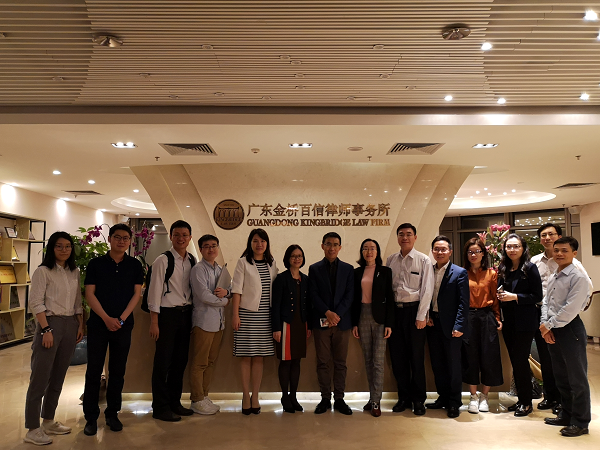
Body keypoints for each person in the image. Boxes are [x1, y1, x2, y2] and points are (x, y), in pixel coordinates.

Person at [83, 224, 143, 435]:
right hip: (99, 324)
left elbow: (136, 294)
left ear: (130, 241)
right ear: (109, 239)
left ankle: (112, 413)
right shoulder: (96, 264)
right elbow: (89, 294)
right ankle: (90, 417)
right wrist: (107, 318)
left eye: (126, 238)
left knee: (118, 371)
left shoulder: (135, 265)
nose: (122, 241)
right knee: (94, 371)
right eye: (117, 237)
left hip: (123, 326)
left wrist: (121, 319)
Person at [24, 232, 83, 445]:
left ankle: (48, 420)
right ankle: (32, 428)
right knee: (40, 377)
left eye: (67, 246)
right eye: (59, 246)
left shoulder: (74, 272)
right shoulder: (43, 271)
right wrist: (46, 329)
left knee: (58, 376)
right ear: (52, 248)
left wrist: (79, 325)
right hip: (50, 323)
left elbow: (77, 301)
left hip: (70, 324)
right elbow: (36, 302)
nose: (64, 250)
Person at [531, 223, 593, 414]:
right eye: (556, 251)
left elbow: (572, 307)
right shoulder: (553, 274)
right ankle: (564, 412)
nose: (559, 254)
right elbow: (546, 301)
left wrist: (548, 325)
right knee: (558, 372)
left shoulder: (577, 274)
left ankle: (579, 420)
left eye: (564, 250)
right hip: (550, 324)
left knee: (576, 376)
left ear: (573, 253)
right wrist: (545, 324)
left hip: (569, 326)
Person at [148, 220, 196, 422]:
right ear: (171, 236)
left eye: (184, 235)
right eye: (177, 235)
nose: (181, 238)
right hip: (167, 316)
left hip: (186, 314)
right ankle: (160, 407)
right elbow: (154, 292)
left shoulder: (192, 260)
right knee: (163, 362)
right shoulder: (163, 260)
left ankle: (175, 402)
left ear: (190, 237)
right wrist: (154, 321)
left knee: (180, 362)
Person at [386, 223, 433, 415]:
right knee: (398, 359)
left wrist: (422, 316)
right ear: (397, 238)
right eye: (401, 234)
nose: (404, 237)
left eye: (408, 234)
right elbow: (387, 290)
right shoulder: (390, 260)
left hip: (414, 313)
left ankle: (418, 400)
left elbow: (427, 290)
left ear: (415, 237)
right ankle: (403, 398)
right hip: (395, 313)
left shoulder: (423, 260)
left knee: (416, 358)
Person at [231, 228, 278, 415]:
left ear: (267, 244)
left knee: (259, 357)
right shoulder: (243, 262)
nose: (259, 244)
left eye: (263, 241)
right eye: (256, 241)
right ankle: (245, 396)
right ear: (250, 243)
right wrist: (235, 315)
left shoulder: (271, 263)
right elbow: (236, 290)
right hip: (247, 315)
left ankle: (255, 396)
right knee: (246, 356)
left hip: (266, 316)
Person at [309, 232, 354, 415]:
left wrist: (337, 315)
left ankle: (340, 399)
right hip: (321, 322)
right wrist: (327, 312)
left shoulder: (348, 269)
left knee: (340, 363)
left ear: (340, 247)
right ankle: (325, 398)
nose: (332, 248)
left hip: (342, 324)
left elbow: (350, 295)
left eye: (335, 244)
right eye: (328, 244)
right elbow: (313, 294)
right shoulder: (314, 269)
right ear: (322, 246)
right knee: (322, 362)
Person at [497, 233, 543, 417]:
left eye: (516, 246)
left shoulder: (529, 268)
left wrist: (514, 297)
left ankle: (526, 402)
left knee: (520, 361)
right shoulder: (504, 268)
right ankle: (521, 400)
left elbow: (537, 296)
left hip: (525, 322)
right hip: (508, 322)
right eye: (509, 246)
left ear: (523, 249)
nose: (512, 250)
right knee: (515, 362)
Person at [425, 236, 469, 418]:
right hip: (432, 324)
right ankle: (442, 397)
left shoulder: (459, 272)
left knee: (453, 365)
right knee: (438, 364)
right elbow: (425, 296)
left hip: (452, 327)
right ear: (432, 251)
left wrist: (459, 325)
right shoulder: (428, 270)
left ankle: (454, 402)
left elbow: (463, 303)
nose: (440, 252)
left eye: (443, 249)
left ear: (450, 251)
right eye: (436, 249)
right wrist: (427, 315)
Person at [351, 238, 394, 417]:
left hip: (380, 319)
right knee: (368, 360)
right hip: (362, 316)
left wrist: (389, 323)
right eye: (366, 248)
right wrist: (354, 323)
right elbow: (354, 299)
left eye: (372, 248)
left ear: (377, 252)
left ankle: (376, 400)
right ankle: (372, 397)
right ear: (362, 252)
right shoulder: (356, 272)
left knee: (378, 361)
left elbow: (390, 297)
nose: (369, 252)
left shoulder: (385, 271)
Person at [189, 234, 231, 415]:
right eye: (207, 246)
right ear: (200, 249)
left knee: (210, 362)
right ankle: (197, 399)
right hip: (204, 322)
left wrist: (226, 293)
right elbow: (204, 295)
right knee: (199, 363)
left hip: (219, 323)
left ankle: (205, 395)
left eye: (214, 245)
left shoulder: (220, 269)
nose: (211, 249)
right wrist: (225, 301)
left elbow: (229, 290)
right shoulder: (198, 269)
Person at [462, 237, 503, 414]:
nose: (474, 255)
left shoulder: (491, 274)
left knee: (489, 355)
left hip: (487, 316)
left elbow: (495, 298)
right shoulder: (462, 273)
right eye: (470, 252)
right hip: (468, 316)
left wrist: (497, 317)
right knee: (470, 356)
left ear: (483, 254)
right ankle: (473, 396)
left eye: (477, 251)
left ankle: (484, 396)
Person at [271, 244, 311, 413]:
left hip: (301, 325)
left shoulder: (305, 279)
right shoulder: (281, 279)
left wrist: (308, 325)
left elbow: (308, 305)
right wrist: (276, 328)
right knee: (285, 361)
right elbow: (275, 306)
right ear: (288, 258)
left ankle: (294, 396)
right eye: (293, 256)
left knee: (296, 361)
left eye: (299, 256)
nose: (297, 258)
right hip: (285, 325)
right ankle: (284, 396)